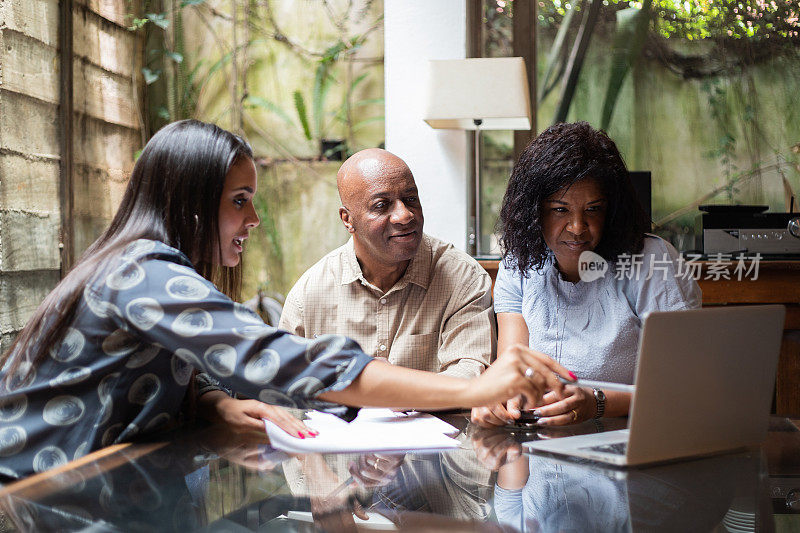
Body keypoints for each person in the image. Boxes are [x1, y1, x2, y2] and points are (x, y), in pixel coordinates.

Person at [0, 120, 575, 480]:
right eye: (240, 200)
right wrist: (476, 389)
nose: (254, 218)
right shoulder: (141, 272)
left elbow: (161, 362)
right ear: (195, 206)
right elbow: (288, 362)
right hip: (31, 498)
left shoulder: (137, 267)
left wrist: (211, 403)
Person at [203, 147, 496, 432]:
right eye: (382, 206)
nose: (404, 215)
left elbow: (472, 373)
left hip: (438, 466)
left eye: (411, 199)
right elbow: (280, 389)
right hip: (338, 467)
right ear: (347, 219)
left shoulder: (463, 277)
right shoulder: (310, 293)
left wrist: (395, 390)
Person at [471, 121, 701, 428]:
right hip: (542, 445)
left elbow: (684, 388)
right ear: (534, 210)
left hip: (633, 439)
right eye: (560, 210)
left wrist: (598, 403)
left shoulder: (651, 261)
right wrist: (498, 399)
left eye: (593, 209)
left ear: (612, 210)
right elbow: (514, 368)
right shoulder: (519, 262)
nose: (578, 227)